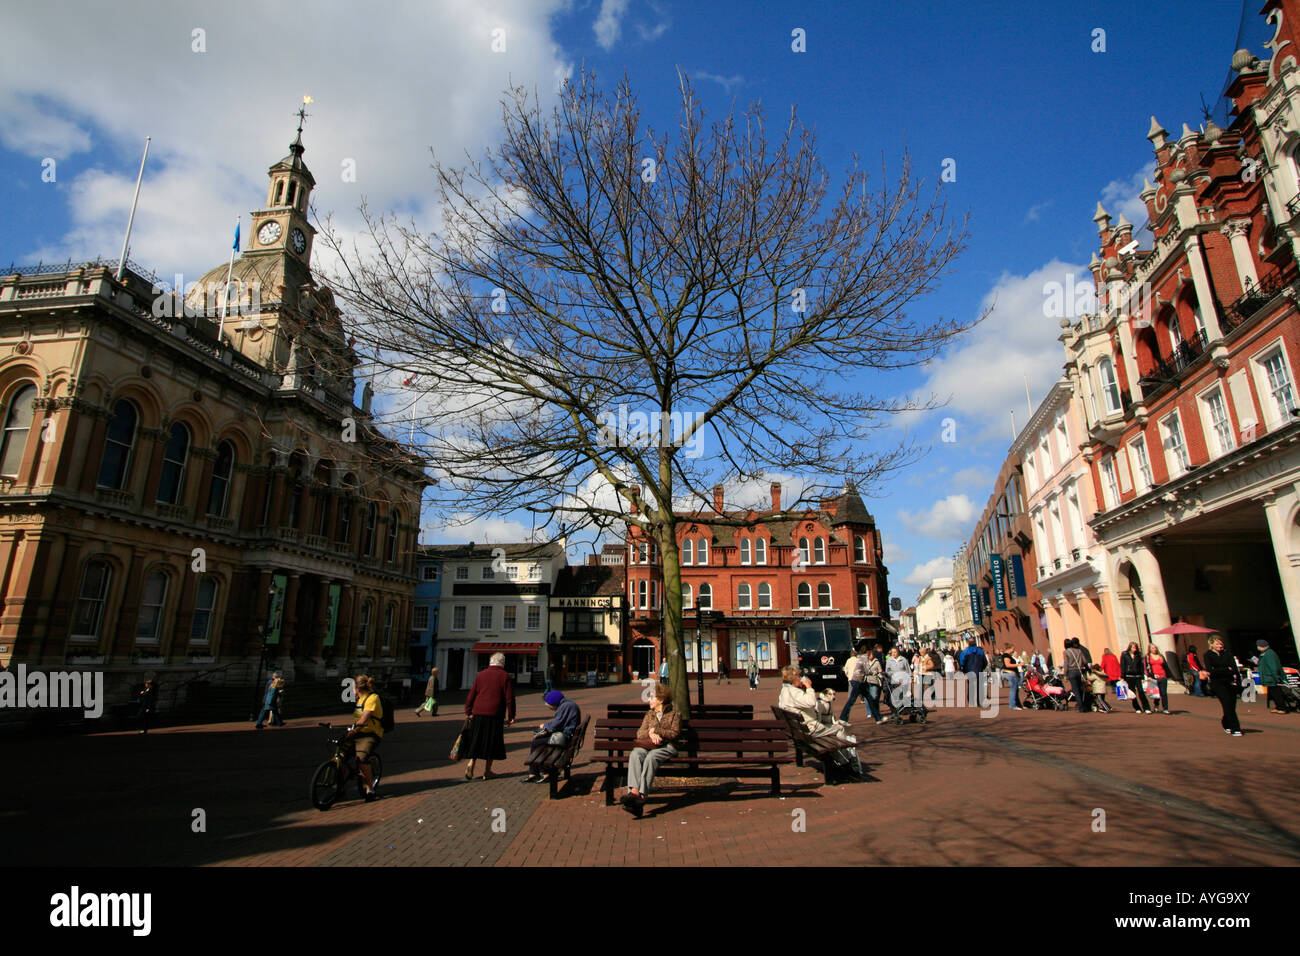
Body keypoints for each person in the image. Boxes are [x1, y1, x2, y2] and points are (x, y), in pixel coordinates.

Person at [779, 665, 861, 774]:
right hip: (810, 730)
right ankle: (844, 762)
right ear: (794, 678)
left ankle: (839, 759)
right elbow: (811, 702)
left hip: (799, 731)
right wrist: (809, 687)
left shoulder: (785, 691)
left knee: (830, 727)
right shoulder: (794, 693)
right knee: (839, 729)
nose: (801, 678)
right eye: (799, 676)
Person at [621, 683, 681, 817]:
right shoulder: (649, 714)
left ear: (661, 700)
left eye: (652, 697)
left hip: (668, 746)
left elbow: (675, 734)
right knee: (636, 754)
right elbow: (639, 734)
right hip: (649, 745)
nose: (649, 700)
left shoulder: (674, 714)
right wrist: (651, 733)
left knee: (651, 758)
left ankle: (641, 797)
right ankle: (634, 792)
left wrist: (658, 731)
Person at [463, 652, 516, 781]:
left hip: (478, 712)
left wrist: (468, 710)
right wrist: (511, 715)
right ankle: (487, 771)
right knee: (492, 741)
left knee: (476, 738)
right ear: (502, 663)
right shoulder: (504, 676)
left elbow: (472, 694)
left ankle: (471, 763)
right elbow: (509, 698)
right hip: (495, 713)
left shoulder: (481, 675)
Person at [523, 690, 582, 782]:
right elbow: (559, 723)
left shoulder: (566, 706)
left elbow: (556, 724)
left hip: (565, 738)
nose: (552, 709)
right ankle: (538, 772)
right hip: (567, 736)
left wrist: (544, 726)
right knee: (540, 741)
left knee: (536, 742)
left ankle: (538, 772)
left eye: (550, 707)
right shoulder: (567, 704)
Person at [346, 674, 383, 801]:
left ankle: (370, 788)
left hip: (370, 734)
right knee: (340, 755)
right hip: (357, 732)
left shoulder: (373, 698)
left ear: (358, 688)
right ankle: (339, 786)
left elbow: (364, 718)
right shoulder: (360, 699)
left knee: (361, 758)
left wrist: (355, 729)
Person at [1201, 637, 1242, 736]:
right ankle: (1235, 728)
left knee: (1231, 705)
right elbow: (1210, 670)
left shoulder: (1227, 654)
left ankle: (1226, 723)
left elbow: (1234, 669)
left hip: (1229, 682)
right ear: (1212, 645)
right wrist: (1226, 669)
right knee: (1227, 703)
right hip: (1217, 683)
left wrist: (1221, 670)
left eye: (1221, 644)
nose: (1220, 646)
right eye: (1217, 644)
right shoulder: (1208, 655)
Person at [1256, 639, 1290, 714]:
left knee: (1277, 693)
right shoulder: (1265, 653)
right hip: (1269, 677)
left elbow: (1273, 666)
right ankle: (1278, 707)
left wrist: (1276, 677)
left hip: (1271, 677)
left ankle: (1282, 708)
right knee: (1274, 693)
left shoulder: (1269, 653)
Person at [1120, 641, 1152, 714]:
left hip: (1138, 675)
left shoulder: (1138, 655)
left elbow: (1141, 666)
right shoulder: (1125, 654)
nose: (1135, 649)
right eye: (1133, 647)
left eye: (1135, 647)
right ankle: (1137, 708)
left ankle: (1146, 707)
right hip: (1129, 676)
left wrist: (1143, 676)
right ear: (1130, 647)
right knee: (1132, 693)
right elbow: (1122, 665)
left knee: (1141, 692)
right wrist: (1122, 676)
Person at [959, 636, 987, 707]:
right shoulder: (980, 651)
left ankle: (971, 702)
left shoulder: (965, 652)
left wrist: (964, 670)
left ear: (968, 644)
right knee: (979, 687)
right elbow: (985, 662)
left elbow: (962, 662)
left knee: (971, 686)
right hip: (979, 670)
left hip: (969, 671)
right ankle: (979, 702)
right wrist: (982, 668)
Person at [1064, 639, 1089, 713]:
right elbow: (1085, 661)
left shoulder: (1066, 652)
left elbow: (1066, 664)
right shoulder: (1079, 651)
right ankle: (1085, 705)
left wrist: (1065, 674)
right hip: (1080, 671)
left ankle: (1080, 707)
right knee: (1081, 688)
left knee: (1075, 690)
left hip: (1071, 672)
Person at [839, 648, 864, 722]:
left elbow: (845, 669)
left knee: (851, 689)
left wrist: (848, 675)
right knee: (859, 689)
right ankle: (862, 699)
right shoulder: (858, 660)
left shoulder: (848, 660)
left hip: (850, 677)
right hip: (857, 677)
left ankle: (850, 700)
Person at [1146, 645, 1171, 714]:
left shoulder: (1161, 656)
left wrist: (1168, 675)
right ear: (1150, 649)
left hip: (1162, 676)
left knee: (1164, 693)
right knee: (1157, 693)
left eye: (1155, 648)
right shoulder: (1148, 657)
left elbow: (1165, 666)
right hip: (1154, 677)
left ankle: (1165, 708)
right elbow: (1146, 667)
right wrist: (1149, 676)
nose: (1154, 649)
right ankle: (1156, 705)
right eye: (1152, 648)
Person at [1001, 644, 1022, 710]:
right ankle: (1012, 705)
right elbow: (1008, 665)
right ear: (1009, 649)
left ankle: (1018, 705)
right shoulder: (1006, 655)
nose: (1013, 650)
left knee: (1016, 689)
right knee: (1013, 689)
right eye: (1013, 649)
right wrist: (1019, 664)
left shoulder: (1008, 655)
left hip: (1012, 673)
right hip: (1010, 673)